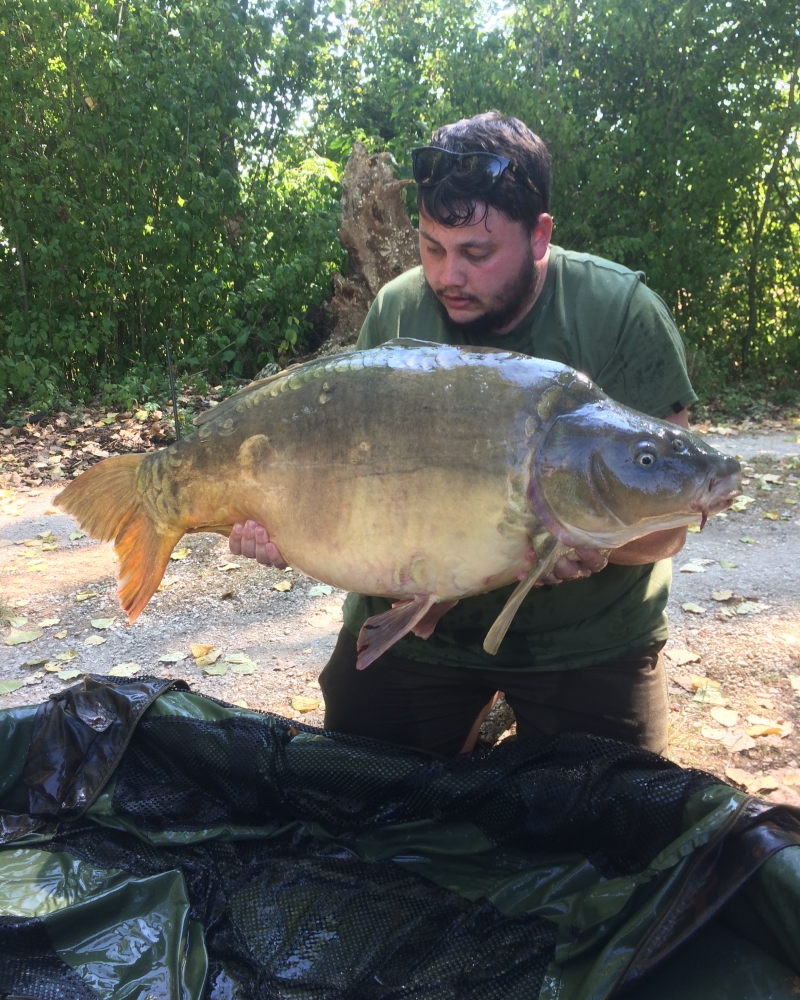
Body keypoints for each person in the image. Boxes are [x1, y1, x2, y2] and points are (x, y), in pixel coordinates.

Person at [229, 112, 697, 757]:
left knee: (611, 831)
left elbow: (670, 519)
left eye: (477, 253)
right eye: (432, 247)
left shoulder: (619, 314)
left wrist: (593, 542)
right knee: (368, 803)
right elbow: (369, 484)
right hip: (426, 632)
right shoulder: (398, 309)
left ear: (539, 237)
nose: (449, 276)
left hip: (587, 637)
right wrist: (294, 525)